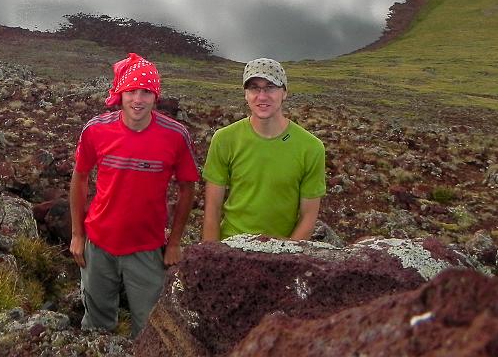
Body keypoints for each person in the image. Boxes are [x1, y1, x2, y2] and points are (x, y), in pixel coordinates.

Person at [70, 52, 199, 337]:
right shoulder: (96, 130)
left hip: (146, 248)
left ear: (156, 97)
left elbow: (188, 187)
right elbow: (79, 178)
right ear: (120, 94)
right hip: (99, 244)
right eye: (131, 91)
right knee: (97, 326)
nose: (138, 100)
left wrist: (175, 242)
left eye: (146, 92)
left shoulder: (175, 136)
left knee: (149, 327)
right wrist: (78, 235)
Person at [202, 57, 325, 242]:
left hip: (282, 252)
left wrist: (287, 259)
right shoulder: (224, 139)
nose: (262, 96)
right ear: (245, 94)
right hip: (232, 245)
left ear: (284, 93)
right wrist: (210, 256)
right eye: (254, 88)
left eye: (270, 87)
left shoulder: (311, 148)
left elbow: (308, 217)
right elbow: (212, 209)